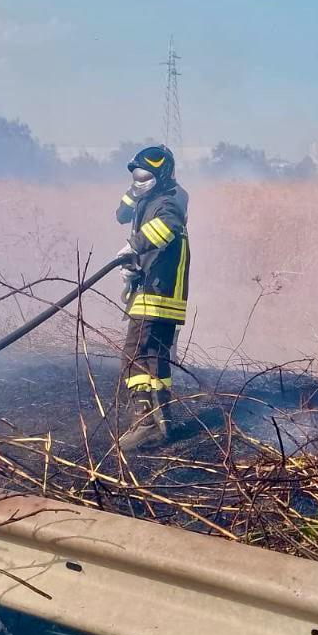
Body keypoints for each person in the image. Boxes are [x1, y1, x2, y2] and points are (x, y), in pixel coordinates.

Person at [115, 144, 190, 449]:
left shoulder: (166, 202)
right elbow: (121, 214)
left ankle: (144, 421)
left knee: (134, 352)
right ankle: (163, 419)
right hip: (162, 288)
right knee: (156, 352)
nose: (138, 180)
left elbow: (167, 227)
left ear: (160, 175)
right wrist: (133, 193)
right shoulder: (152, 197)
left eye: (144, 175)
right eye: (135, 175)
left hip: (156, 290)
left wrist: (135, 246)